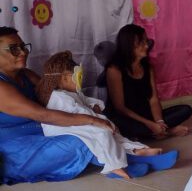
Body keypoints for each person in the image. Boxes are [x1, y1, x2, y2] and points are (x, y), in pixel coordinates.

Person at [0, 27, 113, 184]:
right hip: (13, 151)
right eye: (14, 49)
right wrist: (91, 120)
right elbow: (42, 115)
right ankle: (119, 161)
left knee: (99, 129)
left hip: (42, 135)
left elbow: (59, 96)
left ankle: (124, 158)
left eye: (23, 46)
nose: (23, 52)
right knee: (81, 141)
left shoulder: (27, 75)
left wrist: (87, 108)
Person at [37, 51, 165, 180]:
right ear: (64, 78)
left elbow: (86, 102)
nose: (80, 79)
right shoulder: (59, 97)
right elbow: (78, 113)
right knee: (102, 133)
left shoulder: (73, 93)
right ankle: (113, 166)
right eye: (77, 76)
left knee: (112, 131)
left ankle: (136, 150)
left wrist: (95, 106)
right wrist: (100, 120)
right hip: (62, 128)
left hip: (77, 123)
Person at [105, 24, 192, 139]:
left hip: (146, 114)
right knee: (121, 126)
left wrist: (159, 121)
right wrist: (149, 124)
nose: (146, 45)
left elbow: (153, 99)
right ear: (129, 45)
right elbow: (120, 108)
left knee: (185, 110)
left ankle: (157, 132)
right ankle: (167, 132)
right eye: (141, 43)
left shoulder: (147, 68)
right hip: (126, 117)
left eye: (146, 41)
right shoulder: (114, 70)